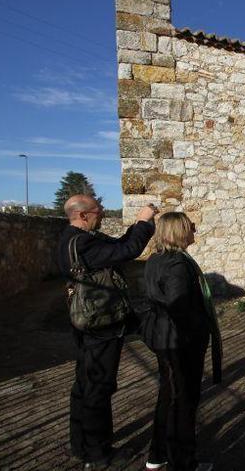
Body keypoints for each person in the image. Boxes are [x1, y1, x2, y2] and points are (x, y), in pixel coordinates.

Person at [56, 195, 158, 469]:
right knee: (98, 388)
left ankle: (81, 445)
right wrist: (144, 222)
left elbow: (121, 246)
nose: (101, 212)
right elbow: (129, 251)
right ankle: (99, 453)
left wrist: (138, 226)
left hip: (86, 323)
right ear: (82, 215)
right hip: (101, 325)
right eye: (96, 210)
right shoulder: (84, 245)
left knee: (84, 386)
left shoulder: (74, 239)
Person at [142, 212, 222, 471]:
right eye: (190, 228)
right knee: (183, 401)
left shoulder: (156, 259)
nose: (194, 232)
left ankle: (158, 454)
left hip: (164, 337)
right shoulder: (177, 265)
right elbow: (179, 307)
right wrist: (200, 329)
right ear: (179, 232)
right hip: (179, 342)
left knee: (169, 395)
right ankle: (183, 462)